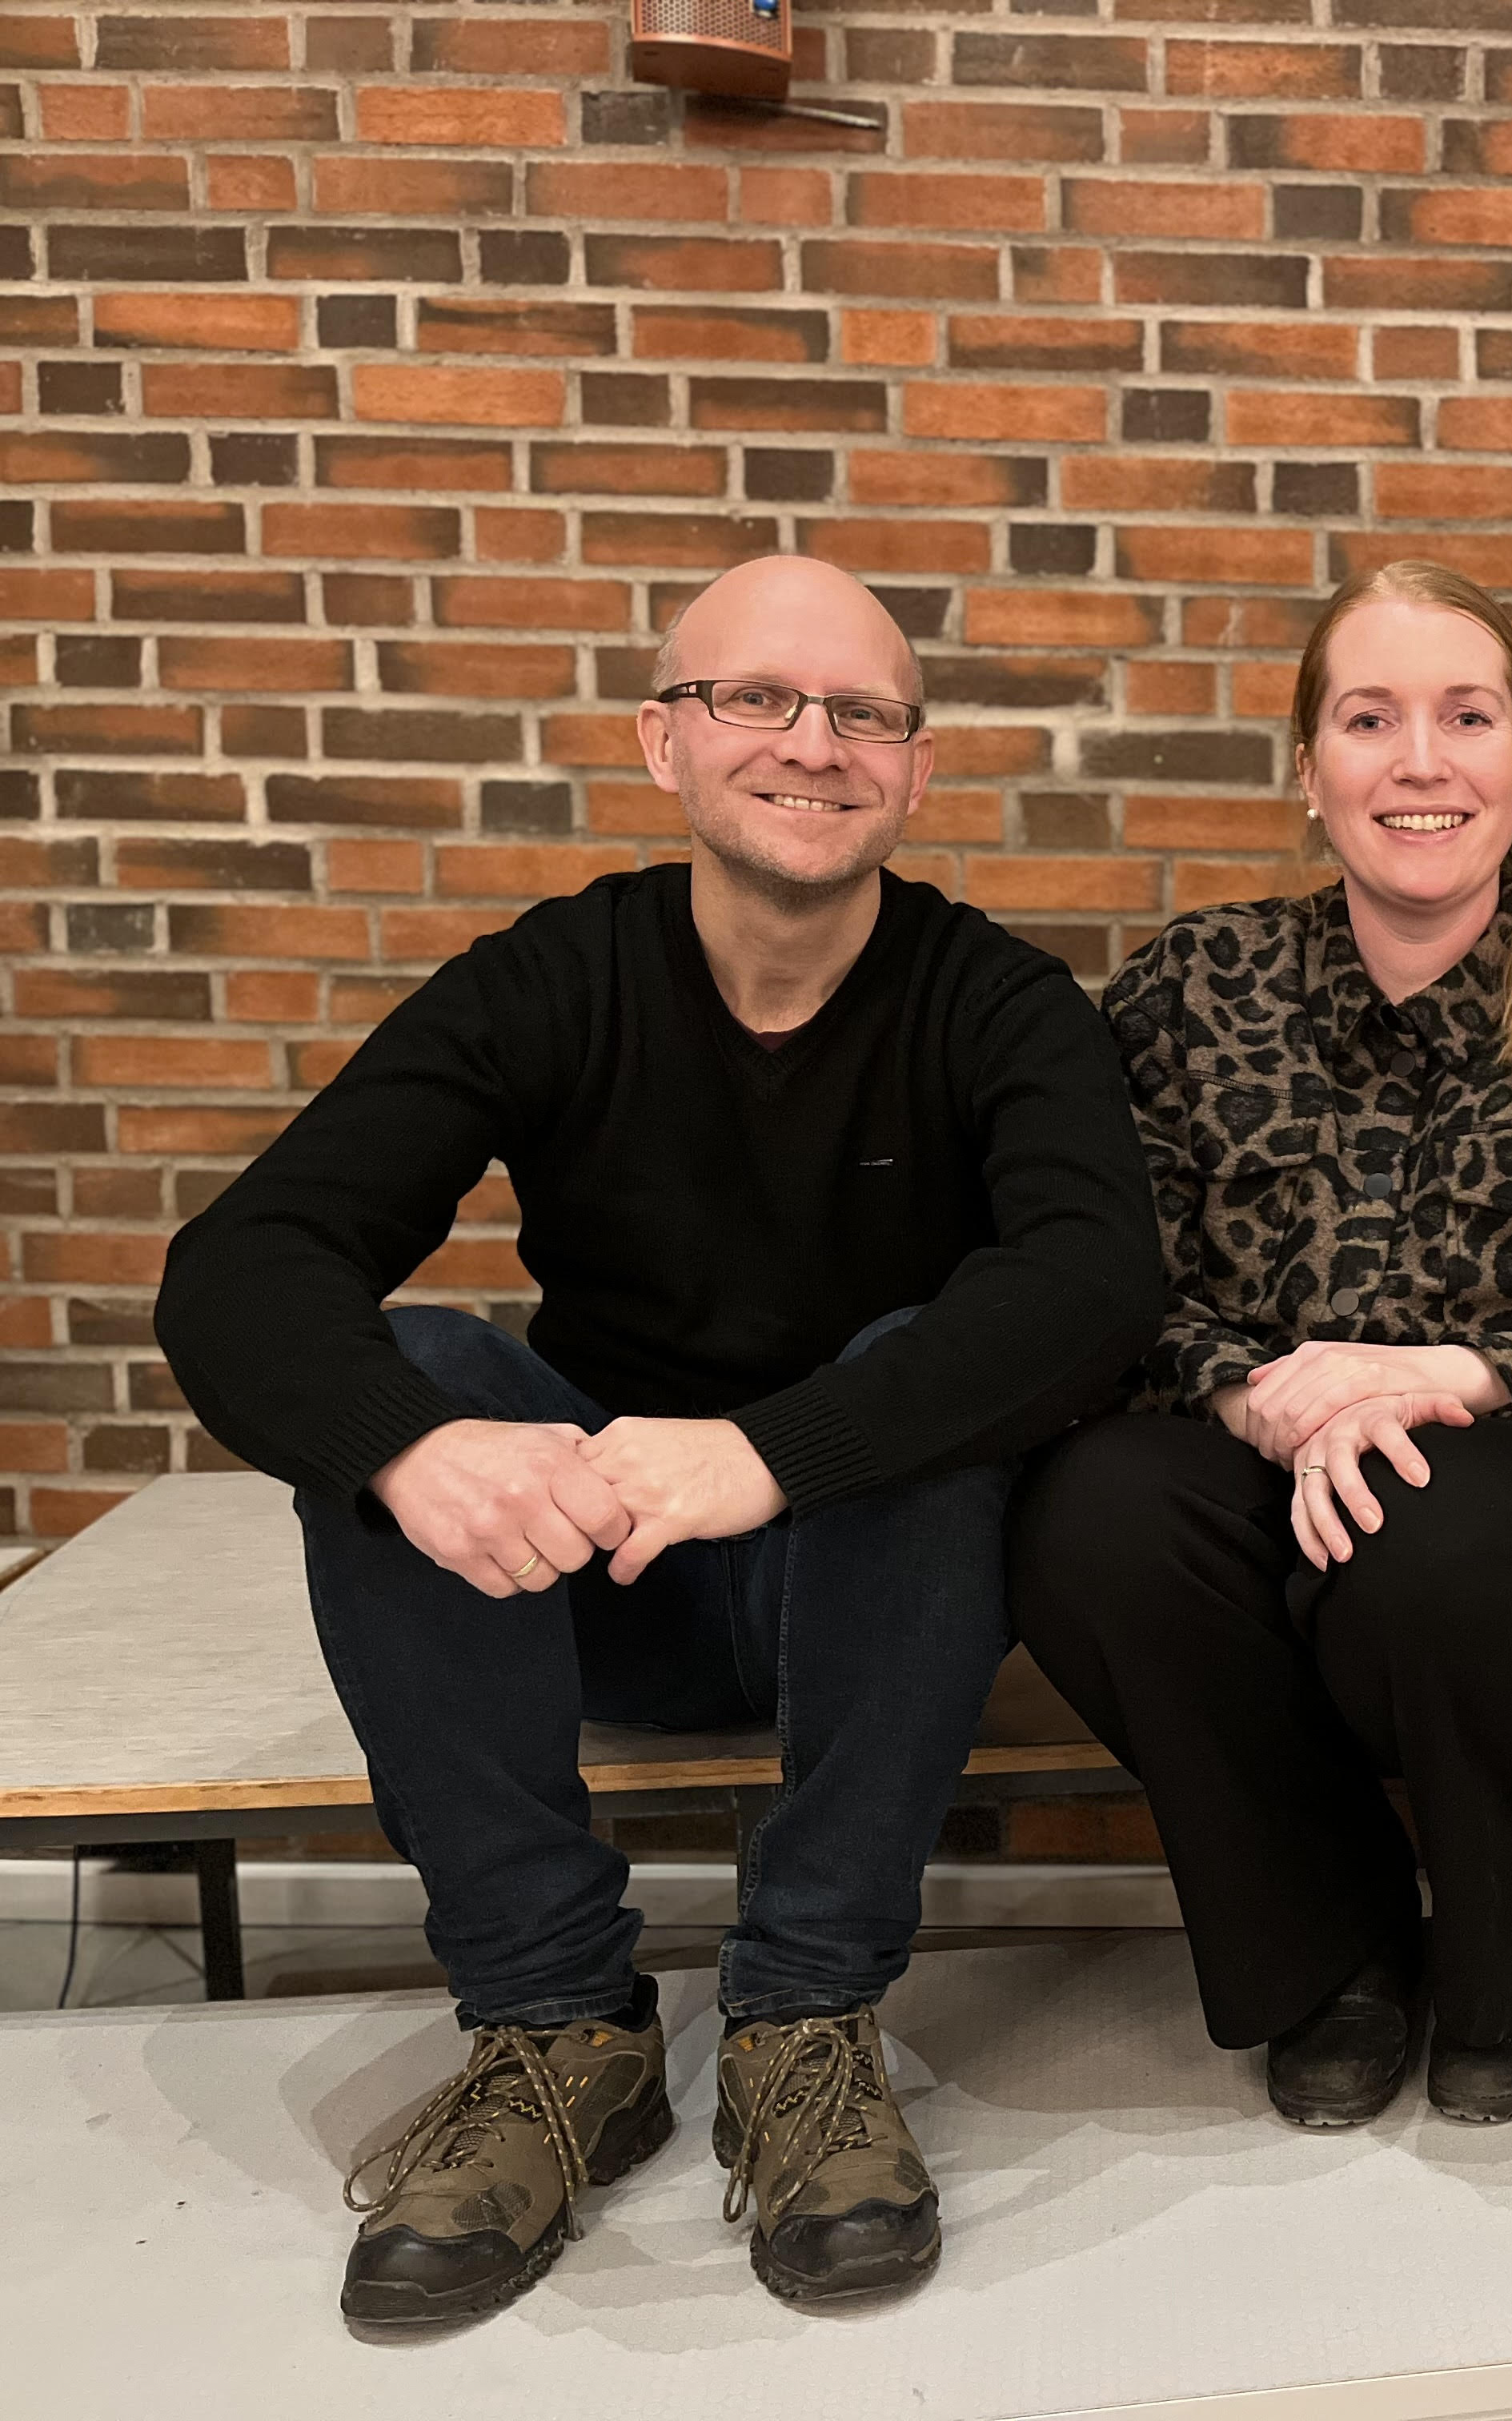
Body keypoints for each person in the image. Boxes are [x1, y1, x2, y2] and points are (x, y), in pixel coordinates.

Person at [155, 556, 1165, 2323]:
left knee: (936, 1369)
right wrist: (410, 1447)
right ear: (664, 739)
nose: (812, 744)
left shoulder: (995, 1002)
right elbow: (243, 1265)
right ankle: (556, 2028)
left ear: (915, 769)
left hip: (869, 1584)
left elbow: (1099, 1285)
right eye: (755, 699)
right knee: (414, 1370)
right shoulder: (554, 978)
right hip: (600, 1574)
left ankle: (805, 2019)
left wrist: (769, 1450)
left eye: (863, 713)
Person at [1007, 561, 1512, 2131]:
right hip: (1261, 1489)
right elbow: (1091, 1293)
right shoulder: (1192, 990)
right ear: (1309, 768)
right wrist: (1259, 1396)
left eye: (1466, 718)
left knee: (1440, 1524)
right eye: (1370, 720)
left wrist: (1451, 1380)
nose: (1421, 761)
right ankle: (1333, 1946)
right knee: (1093, 1511)